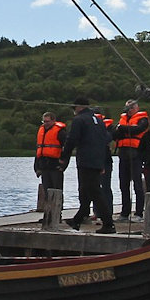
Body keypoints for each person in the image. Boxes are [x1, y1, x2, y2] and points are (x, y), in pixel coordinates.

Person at [60, 98, 115, 233]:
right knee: (86, 190)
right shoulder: (99, 121)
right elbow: (105, 140)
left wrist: (64, 156)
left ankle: (108, 224)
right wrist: (102, 162)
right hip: (98, 160)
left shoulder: (79, 120)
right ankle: (78, 219)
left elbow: (72, 139)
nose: (74, 111)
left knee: (94, 191)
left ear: (79, 107)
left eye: (74, 108)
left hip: (86, 160)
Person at [114, 99, 148, 220]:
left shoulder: (143, 119)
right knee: (123, 185)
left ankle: (139, 213)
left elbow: (138, 130)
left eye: (131, 108)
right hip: (123, 154)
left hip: (136, 154)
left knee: (137, 185)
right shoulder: (122, 119)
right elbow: (116, 134)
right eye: (127, 108)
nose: (129, 111)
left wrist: (123, 129)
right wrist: (126, 129)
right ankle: (125, 213)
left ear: (136, 108)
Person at [33, 111, 66, 207]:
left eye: (47, 121)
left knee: (57, 191)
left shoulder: (60, 132)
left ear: (53, 121)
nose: (45, 124)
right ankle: (48, 211)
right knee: (47, 191)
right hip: (44, 166)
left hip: (56, 166)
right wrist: (36, 167)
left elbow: (67, 149)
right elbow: (39, 150)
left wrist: (63, 165)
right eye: (44, 121)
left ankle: (58, 212)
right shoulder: (41, 131)